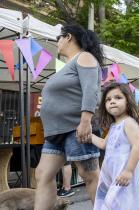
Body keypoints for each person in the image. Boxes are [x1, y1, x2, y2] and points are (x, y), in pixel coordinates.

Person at [35, 24, 103, 210]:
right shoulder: (68, 65)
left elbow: (91, 90)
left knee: (88, 174)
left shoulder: (85, 57)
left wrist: (85, 121)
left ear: (68, 37)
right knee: (43, 174)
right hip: (56, 132)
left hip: (76, 127)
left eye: (59, 38)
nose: (57, 42)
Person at [91, 83, 139, 210]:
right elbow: (104, 144)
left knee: (121, 204)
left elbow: (137, 146)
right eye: (108, 100)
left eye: (118, 98)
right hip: (111, 173)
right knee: (112, 203)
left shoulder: (128, 122)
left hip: (124, 173)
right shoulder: (114, 125)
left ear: (128, 101)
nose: (112, 102)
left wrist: (129, 171)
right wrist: (90, 137)